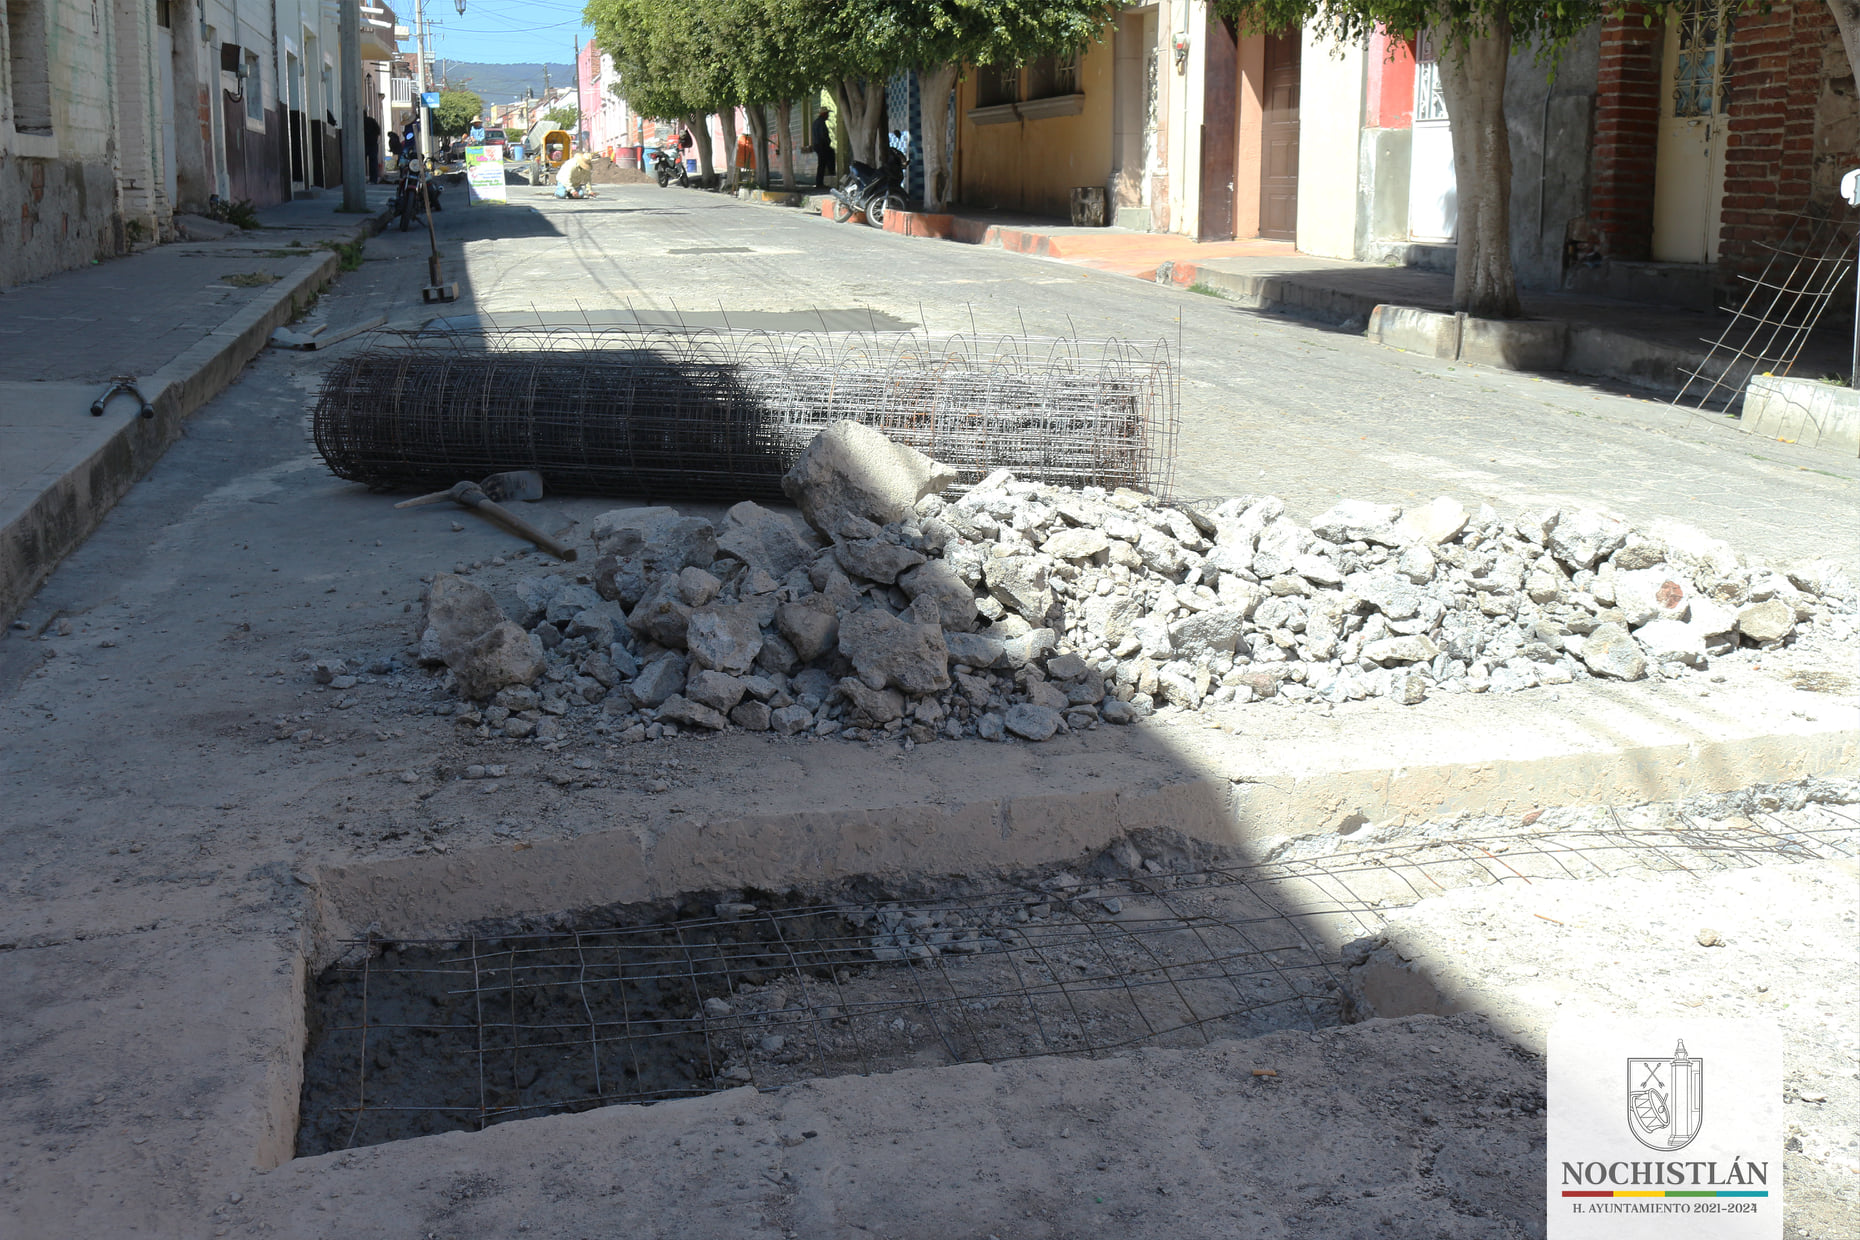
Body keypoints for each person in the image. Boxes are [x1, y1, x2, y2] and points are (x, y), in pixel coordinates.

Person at [811, 106, 835, 187]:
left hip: (818, 146)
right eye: (827, 114)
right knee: (823, 164)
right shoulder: (821, 123)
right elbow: (823, 136)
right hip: (822, 146)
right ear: (824, 114)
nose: (828, 115)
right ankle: (821, 182)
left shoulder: (816, 122)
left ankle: (820, 182)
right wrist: (828, 142)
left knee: (822, 164)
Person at [363, 113, 382, 182]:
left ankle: (361, 178)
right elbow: (378, 131)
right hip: (373, 144)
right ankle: (373, 179)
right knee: (373, 162)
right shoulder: (371, 120)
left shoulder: (359, 122)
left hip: (363, 144)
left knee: (361, 163)